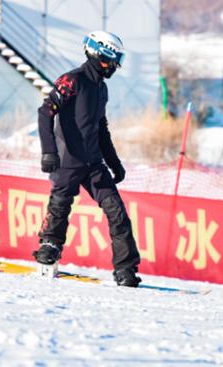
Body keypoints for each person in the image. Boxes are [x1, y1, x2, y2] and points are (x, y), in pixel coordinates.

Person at [33, 30, 141, 287]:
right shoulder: (72, 80)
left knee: (118, 214)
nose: (113, 67)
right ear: (97, 54)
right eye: (110, 60)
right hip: (68, 161)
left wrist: (114, 162)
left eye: (116, 62)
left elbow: (100, 128)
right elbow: (45, 112)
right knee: (60, 207)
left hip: (94, 165)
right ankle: (49, 251)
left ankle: (125, 270)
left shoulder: (101, 89)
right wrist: (49, 151)